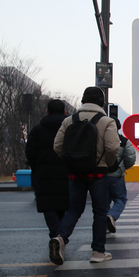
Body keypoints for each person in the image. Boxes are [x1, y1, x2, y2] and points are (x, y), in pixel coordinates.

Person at [50, 87, 119, 264]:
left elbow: (57, 146)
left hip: (74, 172)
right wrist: (107, 163)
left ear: (83, 100)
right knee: (100, 211)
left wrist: (71, 162)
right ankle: (97, 252)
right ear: (102, 102)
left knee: (74, 209)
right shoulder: (107, 121)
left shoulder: (69, 120)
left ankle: (60, 238)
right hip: (98, 173)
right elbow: (112, 148)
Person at [25, 99, 70, 240]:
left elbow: (29, 152)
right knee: (62, 205)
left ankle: (55, 235)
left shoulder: (38, 130)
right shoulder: (69, 129)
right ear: (65, 112)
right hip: (66, 172)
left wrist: (36, 166)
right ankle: (61, 235)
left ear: (47, 112)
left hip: (43, 173)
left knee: (48, 205)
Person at [106, 118, 137, 233]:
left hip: (101, 175)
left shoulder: (99, 140)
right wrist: (122, 168)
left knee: (104, 202)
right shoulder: (123, 141)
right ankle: (112, 216)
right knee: (120, 199)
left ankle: (104, 226)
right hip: (117, 175)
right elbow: (130, 158)